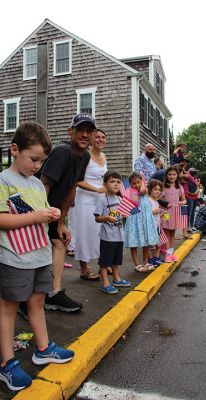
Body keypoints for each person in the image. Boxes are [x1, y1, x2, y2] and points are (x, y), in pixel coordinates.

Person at [0, 122, 74, 392]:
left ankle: (43, 348)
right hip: (15, 256)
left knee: (37, 301)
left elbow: (40, 213)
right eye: (33, 159)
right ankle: (7, 363)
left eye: (41, 161)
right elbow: (2, 219)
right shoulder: (4, 180)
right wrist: (37, 216)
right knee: (8, 308)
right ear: (15, 149)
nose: (37, 166)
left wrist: (54, 215)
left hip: (39, 253)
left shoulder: (37, 184)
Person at [39, 113, 95, 313]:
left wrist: (61, 222)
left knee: (59, 242)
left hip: (54, 212)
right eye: (80, 129)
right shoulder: (63, 152)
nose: (84, 134)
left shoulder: (85, 156)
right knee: (37, 250)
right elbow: (43, 185)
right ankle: (26, 299)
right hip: (38, 209)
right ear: (70, 131)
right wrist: (40, 219)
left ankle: (53, 294)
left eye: (89, 131)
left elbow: (72, 187)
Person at [75, 129, 107, 280]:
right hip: (86, 198)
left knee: (101, 232)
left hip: (100, 200)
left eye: (103, 137)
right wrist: (97, 189)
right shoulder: (85, 156)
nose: (100, 140)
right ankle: (84, 269)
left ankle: (103, 266)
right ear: (91, 139)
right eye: (97, 137)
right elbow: (78, 180)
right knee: (86, 232)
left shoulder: (104, 156)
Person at [94, 171, 131, 294]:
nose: (116, 184)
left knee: (116, 260)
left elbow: (123, 214)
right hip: (107, 237)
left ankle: (116, 279)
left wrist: (128, 214)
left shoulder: (120, 198)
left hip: (119, 236)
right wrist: (107, 218)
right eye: (112, 181)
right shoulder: (102, 200)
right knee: (105, 261)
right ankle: (105, 283)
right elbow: (97, 218)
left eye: (118, 182)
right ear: (105, 184)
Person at [124, 172, 159, 272]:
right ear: (130, 184)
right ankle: (137, 264)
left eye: (139, 182)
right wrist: (141, 183)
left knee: (147, 241)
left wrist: (142, 183)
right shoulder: (129, 191)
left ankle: (146, 262)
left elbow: (143, 190)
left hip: (145, 218)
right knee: (133, 242)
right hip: (135, 219)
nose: (136, 185)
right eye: (133, 183)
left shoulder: (145, 189)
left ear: (142, 182)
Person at [160, 166, 187, 262]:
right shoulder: (163, 187)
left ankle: (172, 254)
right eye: (170, 174)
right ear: (166, 175)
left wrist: (179, 203)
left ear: (177, 175)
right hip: (166, 213)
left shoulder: (179, 187)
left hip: (175, 213)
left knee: (172, 234)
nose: (172, 176)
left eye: (174, 174)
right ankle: (168, 254)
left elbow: (184, 200)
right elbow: (159, 199)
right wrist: (165, 204)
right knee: (166, 233)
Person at [147, 179, 166, 266]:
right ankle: (150, 259)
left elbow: (157, 214)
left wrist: (161, 215)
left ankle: (156, 257)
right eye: (155, 189)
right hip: (151, 226)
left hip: (157, 225)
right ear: (150, 190)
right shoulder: (148, 200)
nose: (158, 192)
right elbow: (145, 213)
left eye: (159, 190)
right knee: (150, 244)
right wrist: (153, 212)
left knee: (159, 242)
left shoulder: (156, 201)